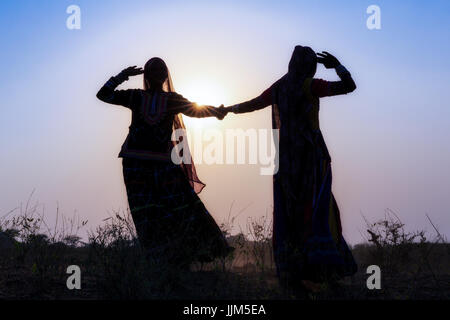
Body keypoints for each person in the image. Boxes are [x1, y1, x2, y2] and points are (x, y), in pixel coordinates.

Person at [221, 46, 358, 293]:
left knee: (292, 212)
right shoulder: (310, 86)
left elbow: (253, 104)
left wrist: (228, 110)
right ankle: (320, 269)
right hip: (311, 159)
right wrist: (337, 64)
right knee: (316, 210)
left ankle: (296, 270)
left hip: (286, 162)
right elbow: (349, 86)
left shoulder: (280, 87)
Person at [96, 57, 232, 266]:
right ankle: (160, 261)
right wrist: (122, 76)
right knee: (148, 211)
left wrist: (217, 111)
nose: (158, 73)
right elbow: (103, 95)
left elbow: (195, 110)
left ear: (164, 75)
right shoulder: (136, 96)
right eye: (154, 70)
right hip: (136, 164)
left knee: (180, 205)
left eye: (161, 69)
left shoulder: (167, 99)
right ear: (149, 76)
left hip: (158, 163)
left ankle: (178, 259)